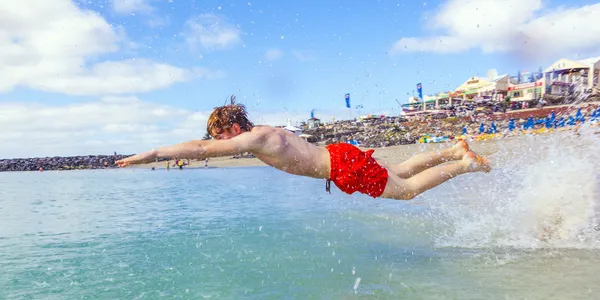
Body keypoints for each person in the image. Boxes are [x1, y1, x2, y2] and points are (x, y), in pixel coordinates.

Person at [116, 96, 491, 200]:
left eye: (220, 136)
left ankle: (465, 164)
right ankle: (454, 150)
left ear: (232, 128)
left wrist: (148, 156)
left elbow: (196, 149)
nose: (218, 145)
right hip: (339, 155)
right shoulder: (265, 130)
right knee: (402, 171)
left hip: (340, 167)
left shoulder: (254, 138)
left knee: (406, 191)